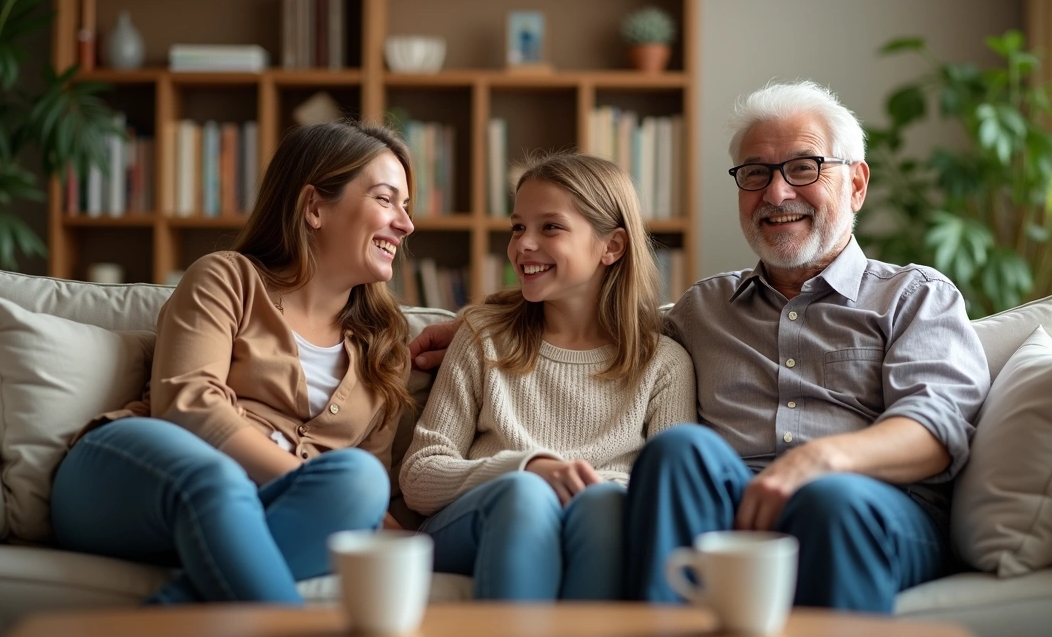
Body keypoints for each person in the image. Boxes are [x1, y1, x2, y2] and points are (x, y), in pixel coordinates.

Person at [409, 81, 991, 612]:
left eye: (803, 168)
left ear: (856, 183)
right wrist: (479, 320)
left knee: (829, 502)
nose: (776, 191)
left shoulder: (914, 296)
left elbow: (936, 426)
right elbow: (601, 321)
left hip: (869, 505)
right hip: (736, 506)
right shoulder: (703, 310)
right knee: (680, 449)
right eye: (756, 173)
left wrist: (821, 460)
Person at [50, 121, 417, 605]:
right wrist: (299, 476)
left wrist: (429, 547)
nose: (406, 224)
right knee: (219, 480)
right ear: (314, 208)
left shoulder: (384, 346)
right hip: (132, 480)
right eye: (386, 200)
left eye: (406, 209)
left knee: (361, 479)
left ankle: (169, 612)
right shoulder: (227, 278)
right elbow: (187, 404)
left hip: (251, 512)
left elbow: (367, 496)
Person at [399, 153, 696, 601]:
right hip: (482, 520)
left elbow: (668, 493)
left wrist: (582, 485)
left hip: (598, 518)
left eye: (550, 227)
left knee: (603, 506)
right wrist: (529, 467)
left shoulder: (664, 364)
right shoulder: (482, 338)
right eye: (518, 227)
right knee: (525, 495)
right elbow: (420, 477)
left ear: (611, 246)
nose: (523, 245)